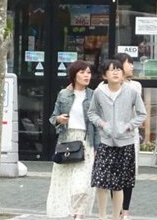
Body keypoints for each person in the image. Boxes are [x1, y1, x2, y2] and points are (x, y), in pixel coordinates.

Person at [89, 58, 146, 220]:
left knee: (118, 184)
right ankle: (101, 216)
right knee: (100, 181)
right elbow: (92, 113)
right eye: (111, 70)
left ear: (123, 75)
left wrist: (128, 126)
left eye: (118, 70)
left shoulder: (131, 92)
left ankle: (116, 217)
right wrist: (102, 124)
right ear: (104, 75)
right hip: (106, 143)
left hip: (125, 143)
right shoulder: (99, 92)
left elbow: (142, 114)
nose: (115, 72)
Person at [47, 60, 97, 220]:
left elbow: (98, 122)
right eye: (82, 72)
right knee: (64, 182)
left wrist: (98, 145)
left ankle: (79, 214)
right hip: (66, 142)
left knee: (83, 185)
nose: (86, 75)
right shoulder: (64, 95)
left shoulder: (93, 95)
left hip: (87, 142)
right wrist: (59, 119)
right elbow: (52, 118)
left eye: (88, 72)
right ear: (74, 75)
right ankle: (72, 213)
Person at [110, 53, 143, 220]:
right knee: (114, 172)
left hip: (130, 135)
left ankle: (126, 211)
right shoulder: (107, 87)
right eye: (128, 63)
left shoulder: (135, 86)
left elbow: (138, 111)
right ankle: (117, 211)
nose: (132, 66)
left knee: (128, 174)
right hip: (111, 136)